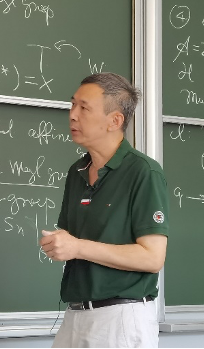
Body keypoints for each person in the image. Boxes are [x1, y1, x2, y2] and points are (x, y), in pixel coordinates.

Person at [40, 72, 169, 348]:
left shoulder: (143, 172)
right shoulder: (77, 171)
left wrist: (77, 247)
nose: (73, 115)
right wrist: (60, 245)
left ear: (115, 121)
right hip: (75, 315)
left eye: (84, 108)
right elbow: (74, 242)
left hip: (121, 318)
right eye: (72, 104)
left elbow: (152, 257)